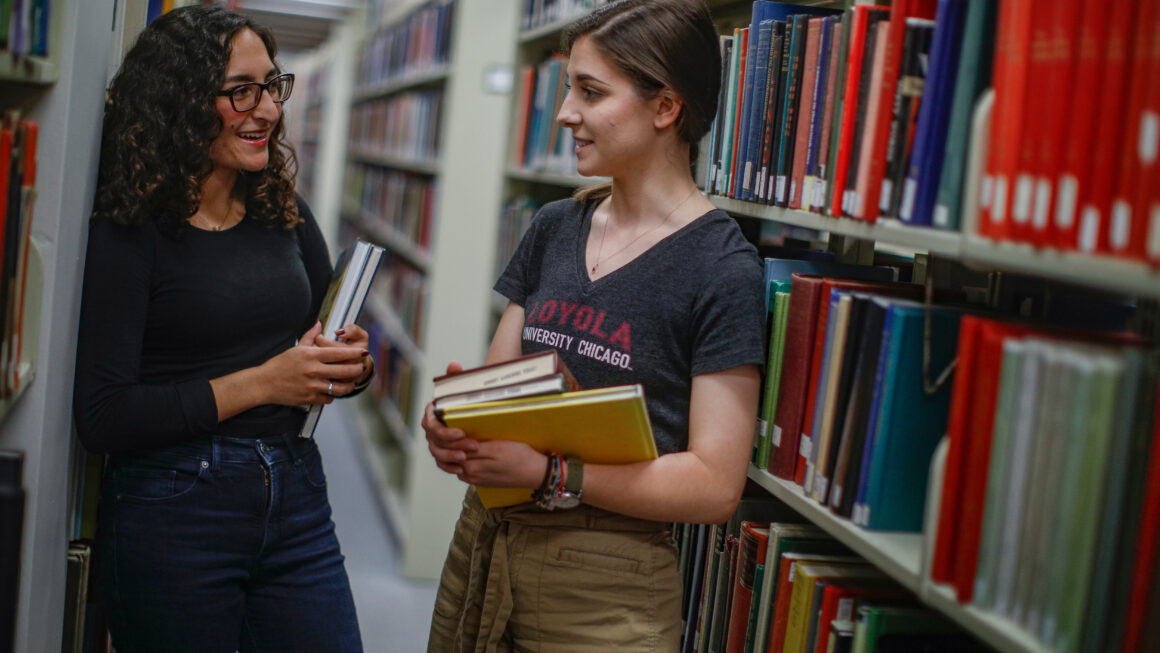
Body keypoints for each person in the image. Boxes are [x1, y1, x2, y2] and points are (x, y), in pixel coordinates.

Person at [422, 0, 766, 650]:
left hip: (606, 583)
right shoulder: (554, 226)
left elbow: (715, 484)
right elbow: (503, 386)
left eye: (589, 92)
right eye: (566, 89)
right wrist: (459, 425)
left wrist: (551, 471)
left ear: (665, 107)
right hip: (486, 547)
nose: (563, 115)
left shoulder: (721, 265)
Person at [72, 6, 370, 652]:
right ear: (179, 100)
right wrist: (264, 382)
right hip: (174, 506)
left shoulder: (279, 208)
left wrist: (350, 365)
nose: (266, 109)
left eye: (272, 86)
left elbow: (326, 336)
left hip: (294, 493)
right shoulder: (132, 229)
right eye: (241, 91)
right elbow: (103, 414)